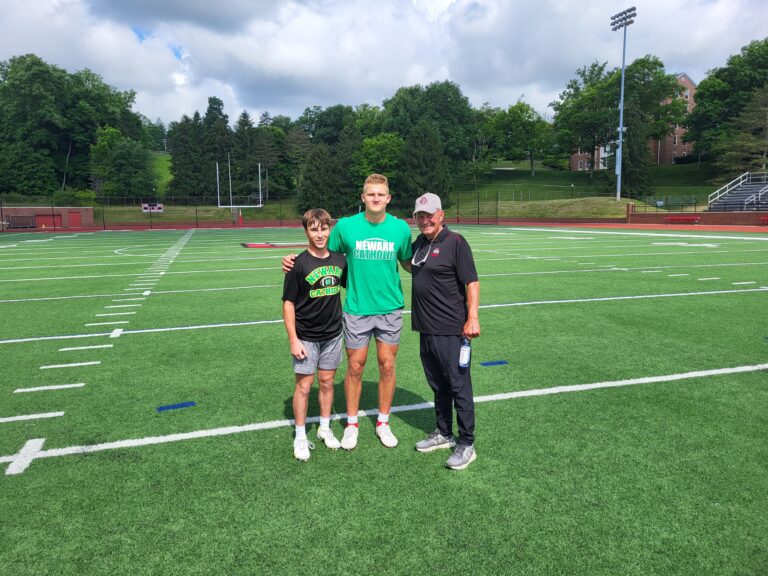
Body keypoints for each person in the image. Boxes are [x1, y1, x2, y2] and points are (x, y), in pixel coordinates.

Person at [282, 174, 412, 450]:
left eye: (381, 194)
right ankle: (351, 424)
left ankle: (383, 422)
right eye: (370, 194)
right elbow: (322, 252)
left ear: (388, 198)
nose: (376, 198)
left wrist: (436, 268)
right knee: (355, 366)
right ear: (363, 197)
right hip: (356, 309)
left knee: (387, 365)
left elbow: (409, 262)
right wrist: (293, 259)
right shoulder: (346, 227)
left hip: (390, 308)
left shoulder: (400, 229)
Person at [410, 192, 481, 470]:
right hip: (426, 330)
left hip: (452, 330)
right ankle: (443, 432)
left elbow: (471, 282)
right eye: (420, 215)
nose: (424, 220)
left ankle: (466, 442)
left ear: (441, 215)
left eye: (429, 215)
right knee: (438, 385)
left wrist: (472, 317)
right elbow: (412, 266)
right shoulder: (420, 243)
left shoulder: (456, 242)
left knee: (459, 386)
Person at [282, 208, 347, 461]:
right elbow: (288, 303)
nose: (320, 234)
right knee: (305, 385)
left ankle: (324, 427)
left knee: (328, 383)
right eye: (314, 229)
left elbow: (351, 285)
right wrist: (293, 339)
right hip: (306, 337)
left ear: (329, 229)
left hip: (332, 334)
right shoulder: (297, 264)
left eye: (324, 228)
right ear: (306, 231)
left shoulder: (341, 260)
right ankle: (300, 435)